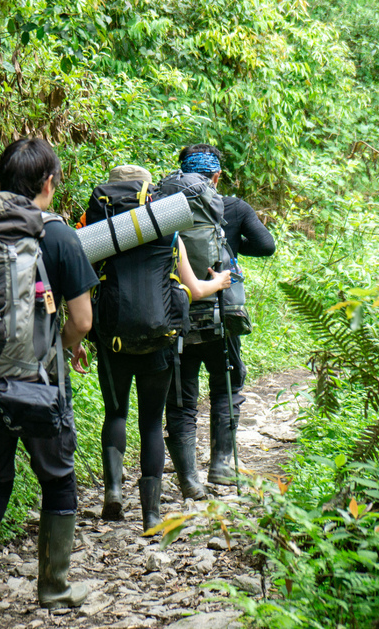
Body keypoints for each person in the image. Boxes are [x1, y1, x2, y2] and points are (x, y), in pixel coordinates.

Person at [0, 138, 98, 627]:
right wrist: (60, 347)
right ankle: (54, 587)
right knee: (58, 478)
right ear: (48, 183)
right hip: (40, 384)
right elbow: (80, 320)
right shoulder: (59, 238)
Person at [90, 165, 230, 534]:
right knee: (151, 423)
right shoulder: (166, 229)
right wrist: (219, 282)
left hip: (112, 338)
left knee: (115, 414)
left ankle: (114, 492)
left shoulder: (96, 231)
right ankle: (151, 516)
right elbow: (196, 291)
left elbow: (82, 285)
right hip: (161, 336)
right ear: (147, 193)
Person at [165, 144, 276, 498]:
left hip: (176, 313)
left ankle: (188, 479)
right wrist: (231, 244)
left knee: (182, 396)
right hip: (220, 312)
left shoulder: (162, 208)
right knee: (227, 382)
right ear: (216, 177)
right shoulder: (233, 207)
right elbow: (267, 245)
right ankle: (222, 466)